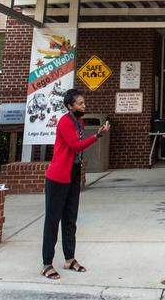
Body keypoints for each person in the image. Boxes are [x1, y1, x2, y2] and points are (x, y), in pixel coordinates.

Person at [41, 88, 110, 280]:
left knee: (70, 218)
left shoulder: (79, 121)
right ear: (70, 106)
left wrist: (97, 133)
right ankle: (47, 263)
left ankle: (69, 258)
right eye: (80, 103)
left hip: (73, 173)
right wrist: (97, 136)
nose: (83, 106)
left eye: (84, 103)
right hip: (58, 176)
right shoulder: (65, 122)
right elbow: (75, 146)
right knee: (53, 221)